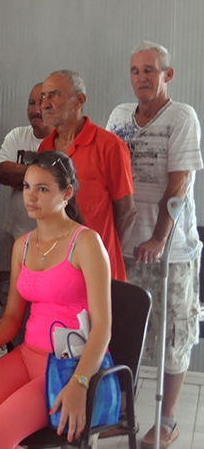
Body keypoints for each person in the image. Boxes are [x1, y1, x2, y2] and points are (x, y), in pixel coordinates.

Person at [0, 151, 113, 449]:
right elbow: (12, 317)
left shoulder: (86, 243)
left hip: (68, 365)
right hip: (26, 355)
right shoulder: (23, 245)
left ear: (66, 193)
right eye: (27, 186)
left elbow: (103, 326)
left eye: (42, 189)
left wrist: (80, 381)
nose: (30, 196)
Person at [105, 41, 202, 449]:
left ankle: (167, 420)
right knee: (121, 333)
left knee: (173, 334)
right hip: (122, 247)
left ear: (168, 74)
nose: (141, 77)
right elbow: (108, 174)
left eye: (150, 70)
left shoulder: (182, 117)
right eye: (135, 70)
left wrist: (159, 238)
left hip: (170, 251)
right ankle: (120, 412)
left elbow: (178, 185)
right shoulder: (119, 115)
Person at [37, 70, 135, 281]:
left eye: (54, 95)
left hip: (98, 268)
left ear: (79, 100)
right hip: (57, 267)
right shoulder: (45, 148)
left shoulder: (109, 146)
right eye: (43, 96)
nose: (44, 104)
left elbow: (126, 212)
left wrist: (104, 252)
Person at [0, 83, 54, 269]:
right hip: (15, 235)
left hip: (53, 240)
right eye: (31, 103)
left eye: (41, 103)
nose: (36, 110)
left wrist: (20, 177)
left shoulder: (64, 141)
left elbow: (63, 183)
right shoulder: (17, 135)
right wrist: (42, 179)